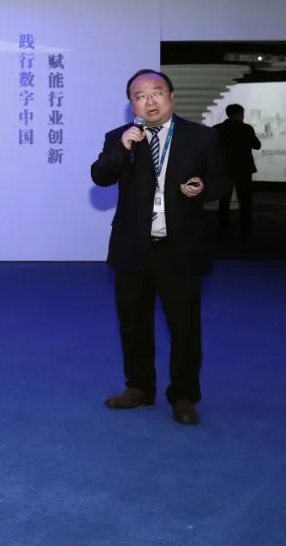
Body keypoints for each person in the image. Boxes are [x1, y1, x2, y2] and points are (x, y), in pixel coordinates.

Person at [91, 68, 230, 426]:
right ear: (131, 104)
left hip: (179, 246)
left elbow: (221, 181)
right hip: (133, 245)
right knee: (133, 323)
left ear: (170, 96)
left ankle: (183, 395)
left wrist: (202, 188)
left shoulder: (201, 136)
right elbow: (100, 176)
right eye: (139, 96)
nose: (149, 101)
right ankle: (139, 387)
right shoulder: (120, 137)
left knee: (184, 327)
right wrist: (122, 149)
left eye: (156, 92)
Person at [213, 103, 261, 238]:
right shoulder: (246, 129)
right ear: (240, 114)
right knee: (245, 200)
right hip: (243, 168)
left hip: (224, 168)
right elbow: (256, 145)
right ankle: (246, 230)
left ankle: (223, 226)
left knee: (224, 200)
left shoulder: (217, 129)